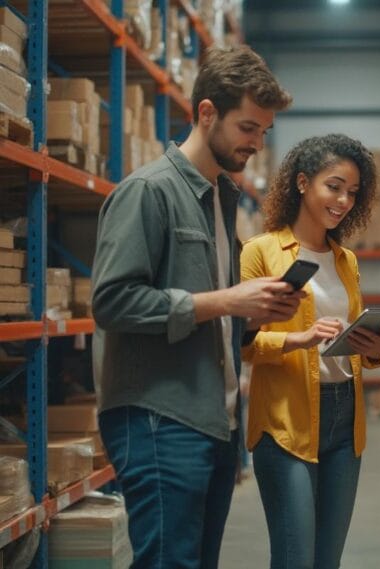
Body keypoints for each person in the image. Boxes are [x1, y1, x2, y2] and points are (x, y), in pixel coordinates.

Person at [91, 46, 298, 569]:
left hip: (215, 419)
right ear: (207, 113)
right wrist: (228, 300)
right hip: (161, 418)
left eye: (263, 132)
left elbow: (207, 311)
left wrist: (251, 313)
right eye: (248, 128)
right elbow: (112, 301)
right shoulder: (148, 191)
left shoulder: (220, 199)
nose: (256, 143)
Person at [241, 134, 380, 569]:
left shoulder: (346, 260)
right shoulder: (261, 253)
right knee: (295, 558)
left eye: (353, 192)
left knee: (327, 560)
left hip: (345, 418)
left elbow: (359, 342)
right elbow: (242, 345)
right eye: (334, 186)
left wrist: (375, 347)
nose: (344, 200)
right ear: (302, 183)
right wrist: (298, 339)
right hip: (285, 419)